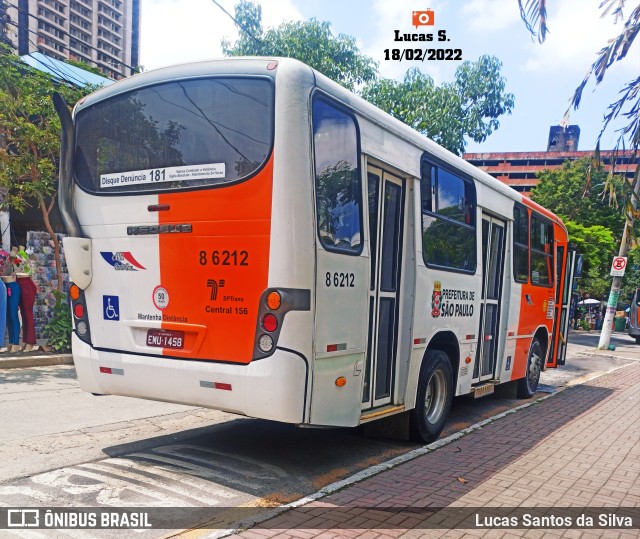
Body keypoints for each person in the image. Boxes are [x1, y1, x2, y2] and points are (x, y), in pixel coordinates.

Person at [2, 252, 21, 352]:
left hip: (12, 287)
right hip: (6, 286)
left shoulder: (15, 264)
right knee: (8, 316)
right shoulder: (6, 264)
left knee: (13, 315)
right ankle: (11, 341)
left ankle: (16, 342)